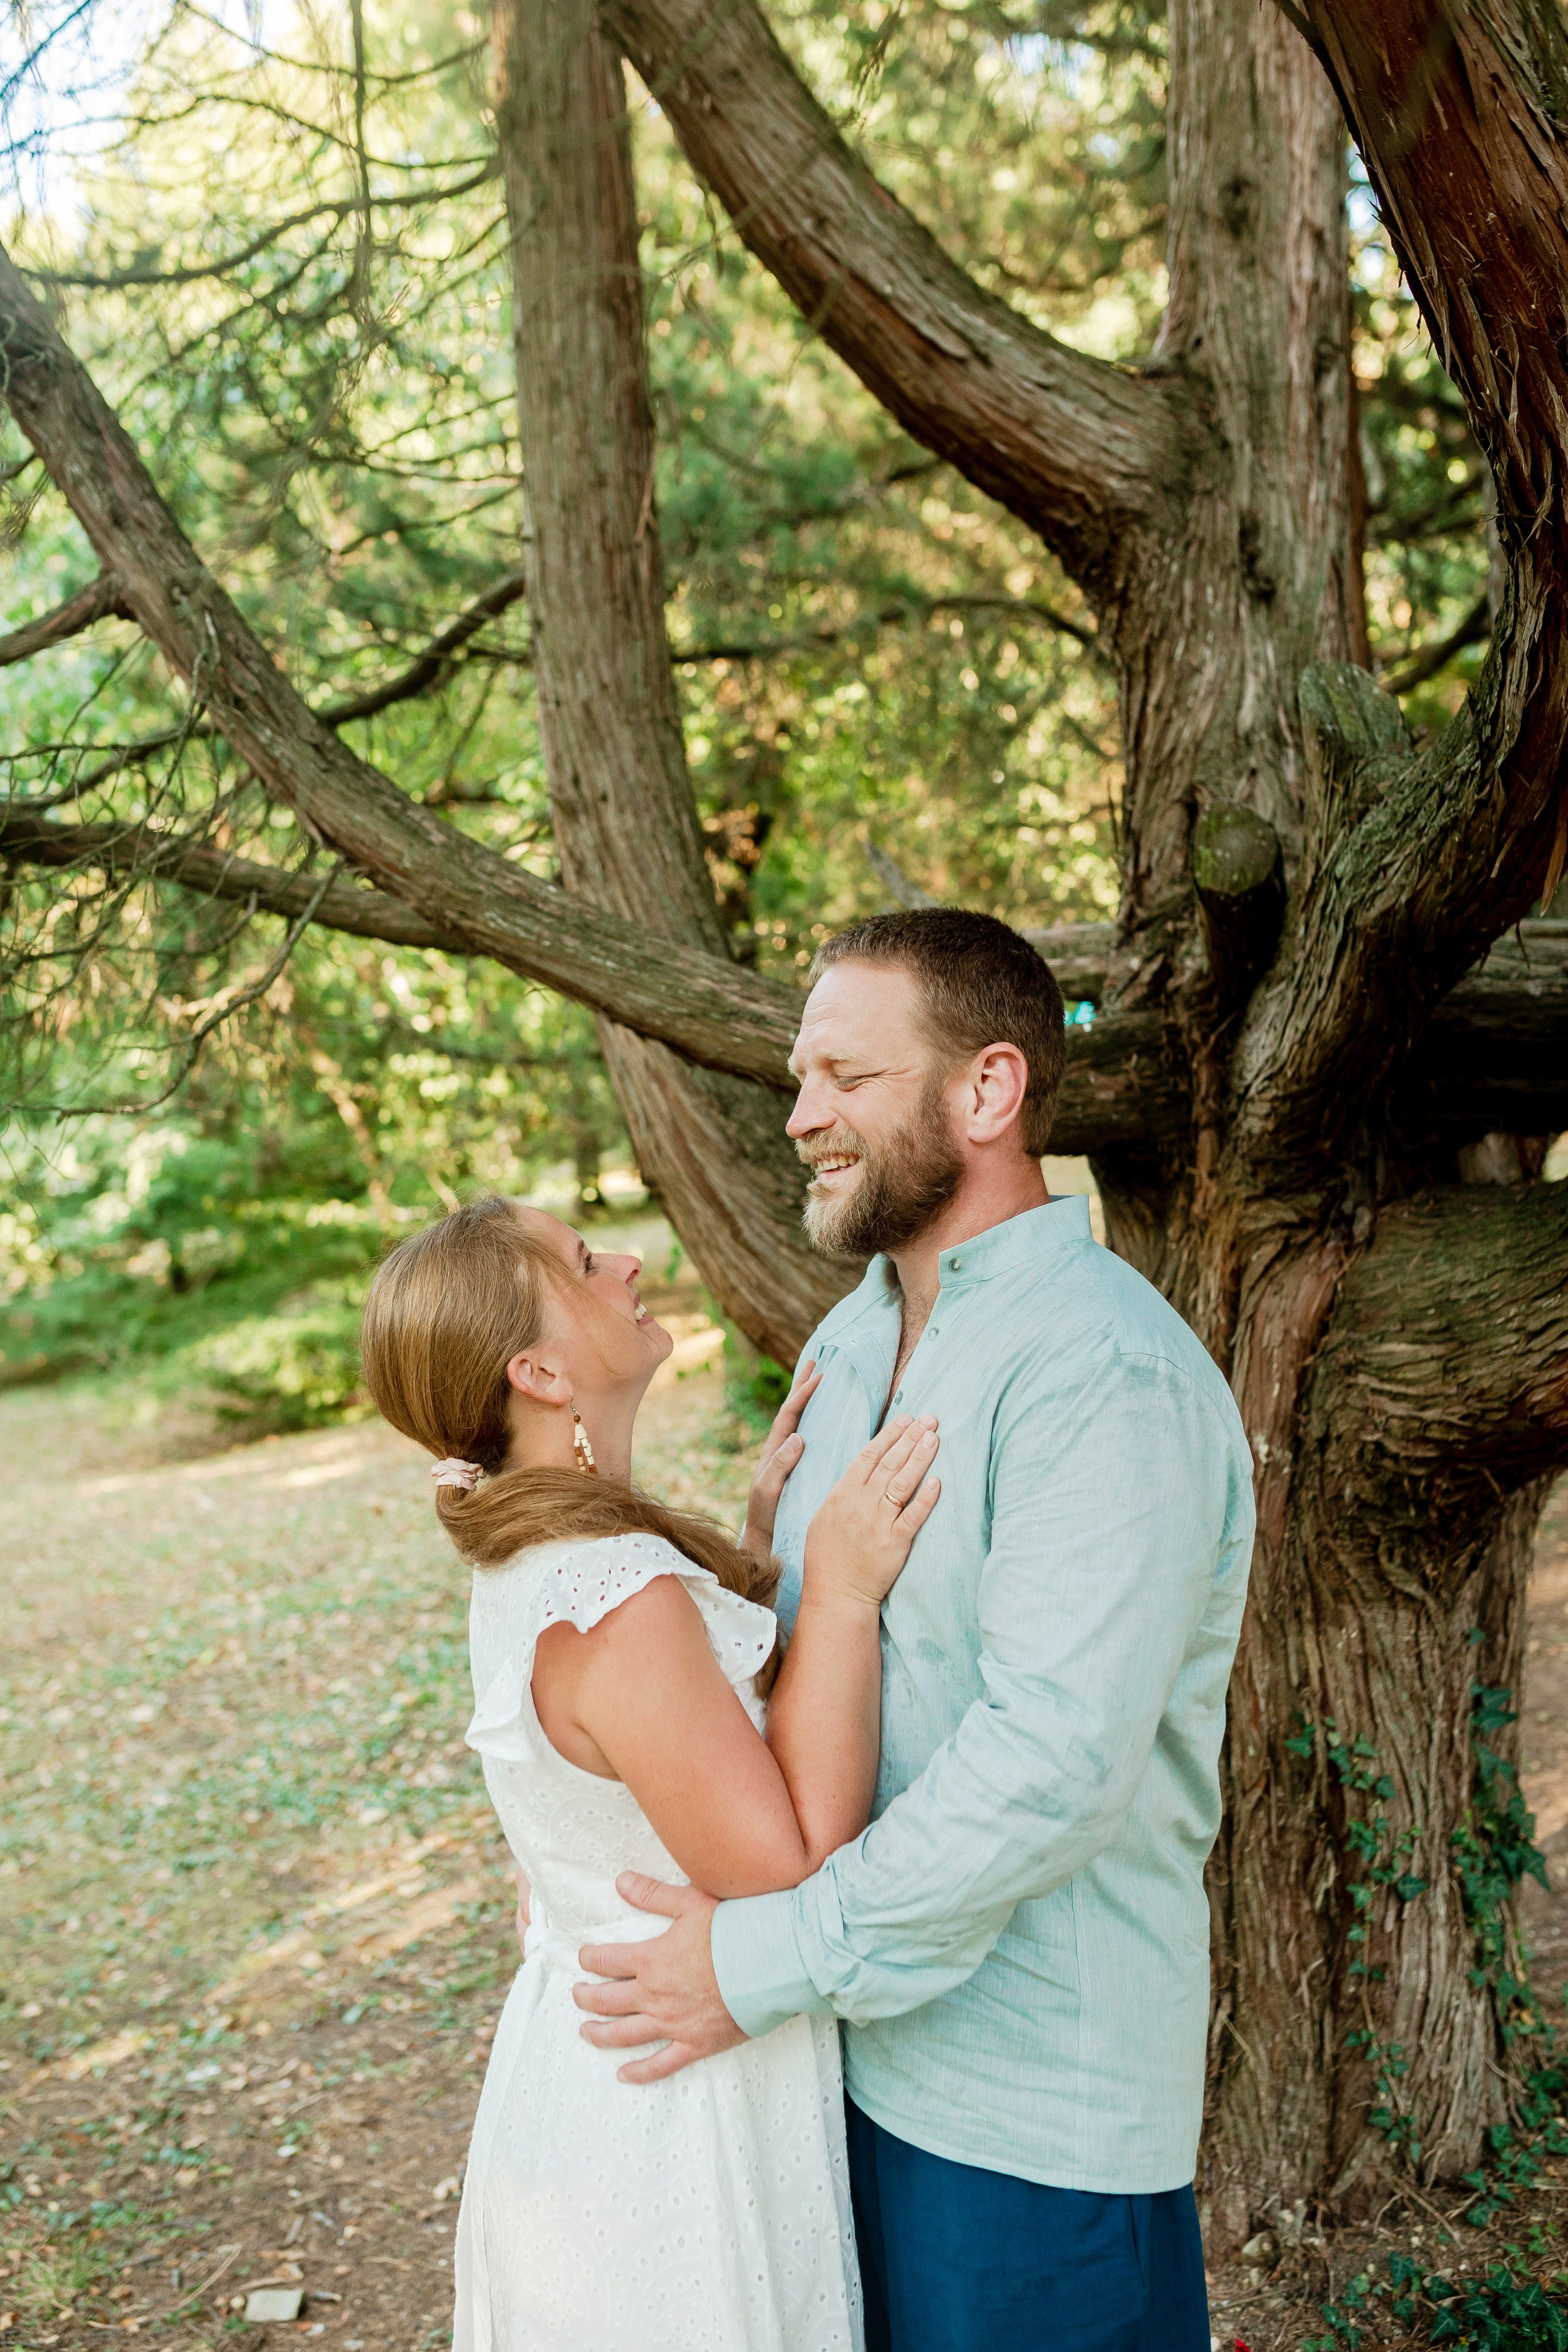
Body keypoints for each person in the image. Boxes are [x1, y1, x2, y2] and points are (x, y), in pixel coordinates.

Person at [571, 908, 1256, 2352]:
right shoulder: (849, 1336)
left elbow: (1051, 1770)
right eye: (797, 1080)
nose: (800, 1117)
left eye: (844, 1078)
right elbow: (827, 1661)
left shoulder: (1106, 1374)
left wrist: (752, 1963)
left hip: (1025, 2107)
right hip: (841, 2065)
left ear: (988, 1092)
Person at [360, 1193, 943, 2352]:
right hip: (670, 2121)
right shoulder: (612, 1593)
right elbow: (791, 1863)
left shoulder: (549, 1557)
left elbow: (650, 1767)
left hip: (596, 2075)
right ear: (538, 1372)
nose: (627, 1259)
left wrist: (757, 1558)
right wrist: (838, 1588)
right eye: (584, 1260)